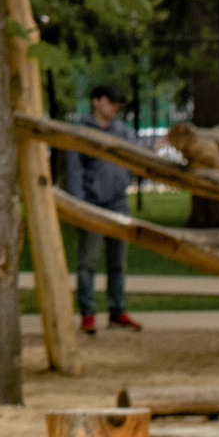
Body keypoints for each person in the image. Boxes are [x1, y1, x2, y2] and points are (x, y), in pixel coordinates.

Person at [59, 88, 141, 335]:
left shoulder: (121, 129)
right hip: (92, 204)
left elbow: (137, 151)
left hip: (118, 203)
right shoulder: (82, 131)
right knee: (88, 262)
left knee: (118, 262)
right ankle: (87, 314)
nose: (114, 107)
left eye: (117, 102)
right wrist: (80, 204)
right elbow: (74, 171)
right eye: (110, 101)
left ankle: (117, 311)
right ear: (96, 101)